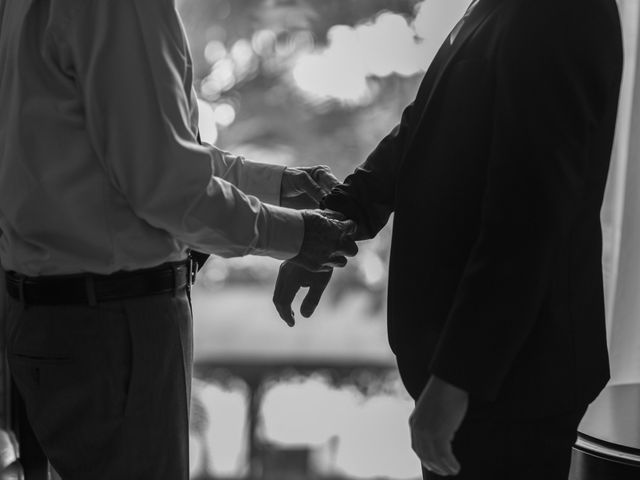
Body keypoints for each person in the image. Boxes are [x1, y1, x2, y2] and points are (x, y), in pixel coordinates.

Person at [0, 0, 357, 478]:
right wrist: (297, 234)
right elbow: (165, 186)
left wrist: (275, 183)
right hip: (112, 331)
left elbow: (144, 151)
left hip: (49, 317)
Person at [273, 0, 624, 478]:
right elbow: (423, 127)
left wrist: (460, 379)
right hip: (476, 379)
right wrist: (334, 223)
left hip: (510, 386)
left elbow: (530, 213)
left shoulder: (557, 12)